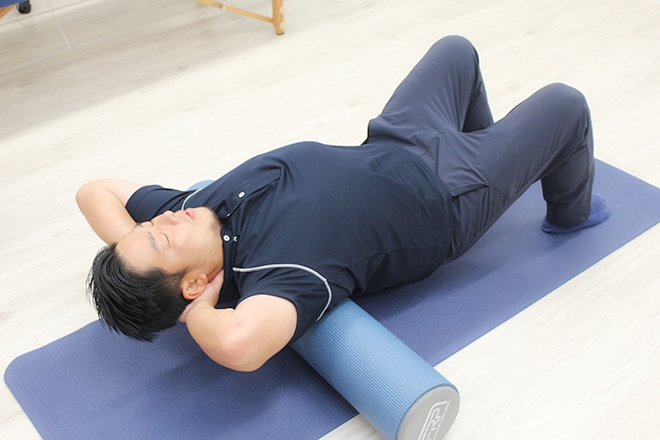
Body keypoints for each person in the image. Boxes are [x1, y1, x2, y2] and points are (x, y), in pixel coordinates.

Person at [76, 36, 610, 372]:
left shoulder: (193, 208)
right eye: (160, 238)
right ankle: (572, 214)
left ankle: (492, 147)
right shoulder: (276, 277)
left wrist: (137, 246)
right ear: (195, 284)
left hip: (393, 139)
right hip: (447, 195)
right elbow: (238, 346)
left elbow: (93, 191)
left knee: (457, 51)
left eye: (147, 226)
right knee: (565, 103)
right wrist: (197, 313)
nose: (163, 218)